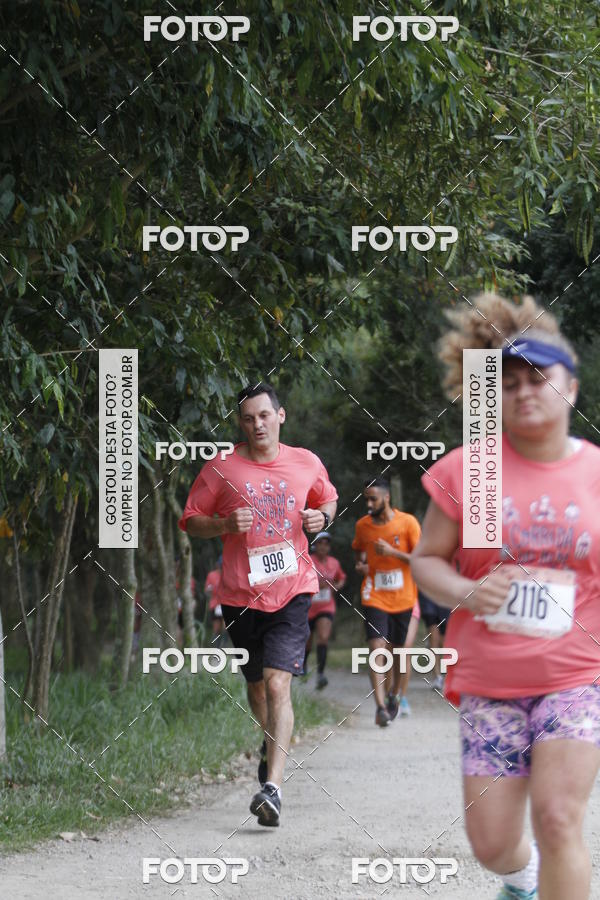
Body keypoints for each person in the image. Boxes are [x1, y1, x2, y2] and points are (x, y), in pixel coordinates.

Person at [411, 292, 600, 900]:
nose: (524, 391)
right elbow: (425, 562)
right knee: (492, 844)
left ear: (570, 385)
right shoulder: (472, 471)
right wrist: (469, 591)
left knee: (558, 818)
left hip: (578, 674)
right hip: (491, 680)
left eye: (539, 377)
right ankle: (518, 879)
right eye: (509, 381)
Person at [178, 382, 337, 827]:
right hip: (239, 596)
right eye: (248, 418)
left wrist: (321, 518)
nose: (256, 424)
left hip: (293, 588)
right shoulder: (222, 468)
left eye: (264, 416)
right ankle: (270, 749)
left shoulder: (305, 462)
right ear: (240, 422)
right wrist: (223, 522)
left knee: (276, 684)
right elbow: (190, 521)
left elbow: (328, 498)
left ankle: (273, 787)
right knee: (255, 688)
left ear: (280, 416)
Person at [352, 478, 421, 726]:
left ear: (386, 498)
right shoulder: (363, 526)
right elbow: (358, 549)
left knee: (400, 653)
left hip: (403, 597)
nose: (369, 504)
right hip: (374, 595)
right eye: (366, 499)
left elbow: (420, 559)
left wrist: (392, 553)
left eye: (373, 499)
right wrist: (361, 565)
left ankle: (394, 696)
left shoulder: (408, 523)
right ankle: (380, 707)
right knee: (376, 647)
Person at [304, 531, 346, 689]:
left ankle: (321, 674)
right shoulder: (308, 560)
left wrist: (337, 586)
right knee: (307, 642)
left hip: (326, 606)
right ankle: (303, 665)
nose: (323, 546)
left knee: (323, 637)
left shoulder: (334, 563)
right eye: (320, 543)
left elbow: (341, 578)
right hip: (308, 607)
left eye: (326, 543)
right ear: (315, 545)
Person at [395, 594, 422, 715]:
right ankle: (391, 695)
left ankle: (402, 697)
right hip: (384, 603)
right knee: (390, 652)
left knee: (405, 649)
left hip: (409, 603)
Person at [418, 590, 449, 692]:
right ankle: (437, 676)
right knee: (433, 633)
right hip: (428, 593)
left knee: (443, 641)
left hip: (445, 592)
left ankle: (446, 674)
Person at [205, 556, 225, 646]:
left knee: (225, 627)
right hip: (215, 604)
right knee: (216, 628)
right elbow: (206, 590)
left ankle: (223, 646)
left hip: (226, 604)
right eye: (220, 564)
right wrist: (209, 590)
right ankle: (216, 647)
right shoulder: (212, 575)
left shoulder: (230, 575)